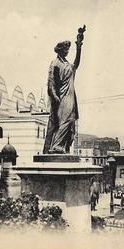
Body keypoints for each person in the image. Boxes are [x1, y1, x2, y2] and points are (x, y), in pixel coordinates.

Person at [43, 26, 86, 154]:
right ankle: (56, 146)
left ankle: (63, 147)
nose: (68, 51)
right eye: (66, 49)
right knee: (64, 121)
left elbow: (76, 64)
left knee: (70, 121)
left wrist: (79, 46)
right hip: (62, 98)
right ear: (60, 50)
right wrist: (55, 97)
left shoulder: (67, 64)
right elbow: (50, 83)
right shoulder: (55, 63)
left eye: (69, 49)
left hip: (71, 97)